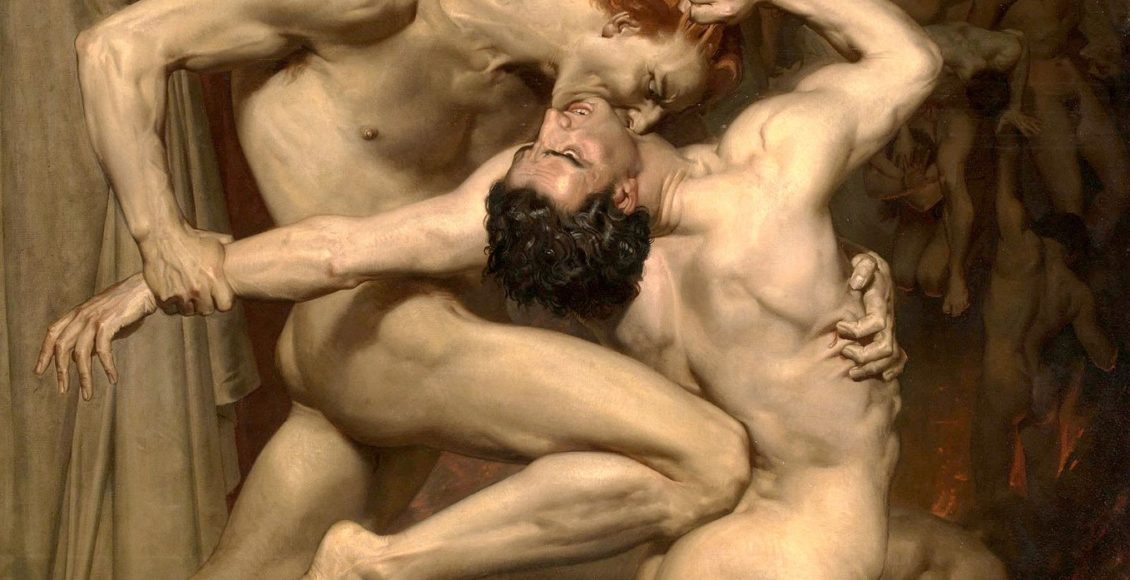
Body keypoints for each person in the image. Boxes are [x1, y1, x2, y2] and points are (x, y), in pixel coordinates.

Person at [44, 0, 934, 575]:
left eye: (663, 106)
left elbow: (728, 240)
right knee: (708, 459)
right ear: (622, 22)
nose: (647, 112)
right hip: (387, 342)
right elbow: (341, 250)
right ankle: (382, 566)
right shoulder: (387, 23)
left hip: (383, 369)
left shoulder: (557, 142)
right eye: (653, 84)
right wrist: (160, 248)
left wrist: (844, 268)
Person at [973, 127, 1117, 512]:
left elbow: (1006, 194)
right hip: (1040, 390)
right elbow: (1104, 356)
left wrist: (1007, 143)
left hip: (1003, 378)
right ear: (1074, 253)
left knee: (990, 495)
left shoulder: (1021, 250)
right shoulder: (1076, 293)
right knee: (1044, 498)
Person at [865, 22, 1039, 315]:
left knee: (932, 274)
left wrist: (1015, 106)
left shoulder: (1005, 50)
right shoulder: (925, 54)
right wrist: (904, 132)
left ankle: (958, 269)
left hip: (949, 110)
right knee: (903, 273)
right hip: (913, 99)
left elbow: (1021, 41)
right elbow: (886, 75)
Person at [997, 0, 1130, 246]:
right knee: (1070, 210)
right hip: (1039, 95)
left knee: (1121, 187)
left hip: (1073, 82)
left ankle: (1088, 250)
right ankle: (1069, 258)